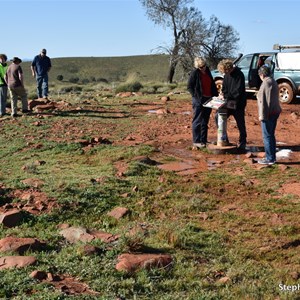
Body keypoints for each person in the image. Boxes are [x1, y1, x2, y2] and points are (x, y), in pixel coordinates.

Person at [216, 59, 247, 151]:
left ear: (229, 68)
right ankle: (224, 139)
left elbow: (237, 92)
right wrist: (222, 94)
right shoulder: (226, 75)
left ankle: (242, 142)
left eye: (225, 70)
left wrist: (226, 96)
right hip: (228, 103)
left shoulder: (239, 75)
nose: (225, 72)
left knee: (240, 123)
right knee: (217, 117)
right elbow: (224, 88)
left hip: (238, 104)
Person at [187, 57, 218, 148]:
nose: (203, 68)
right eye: (201, 67)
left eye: (204, 66)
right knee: (197, 120)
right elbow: (189, 86)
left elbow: (212, 83)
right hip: (199, 99)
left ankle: (203, 140)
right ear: (197, 67)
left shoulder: (207, 71)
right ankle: (196, 141)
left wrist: (215, 95)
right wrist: (195, 96)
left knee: (205, 120)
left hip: (209, 98)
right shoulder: (194, 73)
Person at [256, 65, 282, 165]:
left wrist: (262, 115)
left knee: (267, 136)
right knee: (271, 135)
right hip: (275, 112)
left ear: (262, 74)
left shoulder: (265, 83)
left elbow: (263, 102)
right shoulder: (273, 81)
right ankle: (272, 157)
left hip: (268, 113)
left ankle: (269, 158)